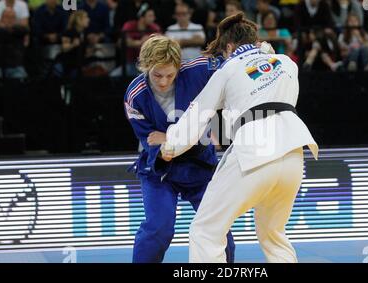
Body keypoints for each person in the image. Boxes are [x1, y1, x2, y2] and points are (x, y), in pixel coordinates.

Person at [161, 13, 319, 263]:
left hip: (254, 151)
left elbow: (197, 115)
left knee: (205, 231)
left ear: (230, 47)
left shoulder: (228, 70)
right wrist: (263, 50)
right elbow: (264, 64)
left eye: (224, 53)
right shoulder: (287, 62)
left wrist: (170, 146)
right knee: (274, 235)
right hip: (294, 153)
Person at [123, 35, 235, 263]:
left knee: (218, 229)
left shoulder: (198, 70)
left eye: (170, 75)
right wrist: (185, 138)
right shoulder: (135, 95)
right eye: (157, 75)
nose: (163, 82)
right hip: (161, 170)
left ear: (179, 67)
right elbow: (150, 140)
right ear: (145, 67)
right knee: (158, 228)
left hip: (201, 166)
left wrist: (260, 53)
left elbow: (234, 65)